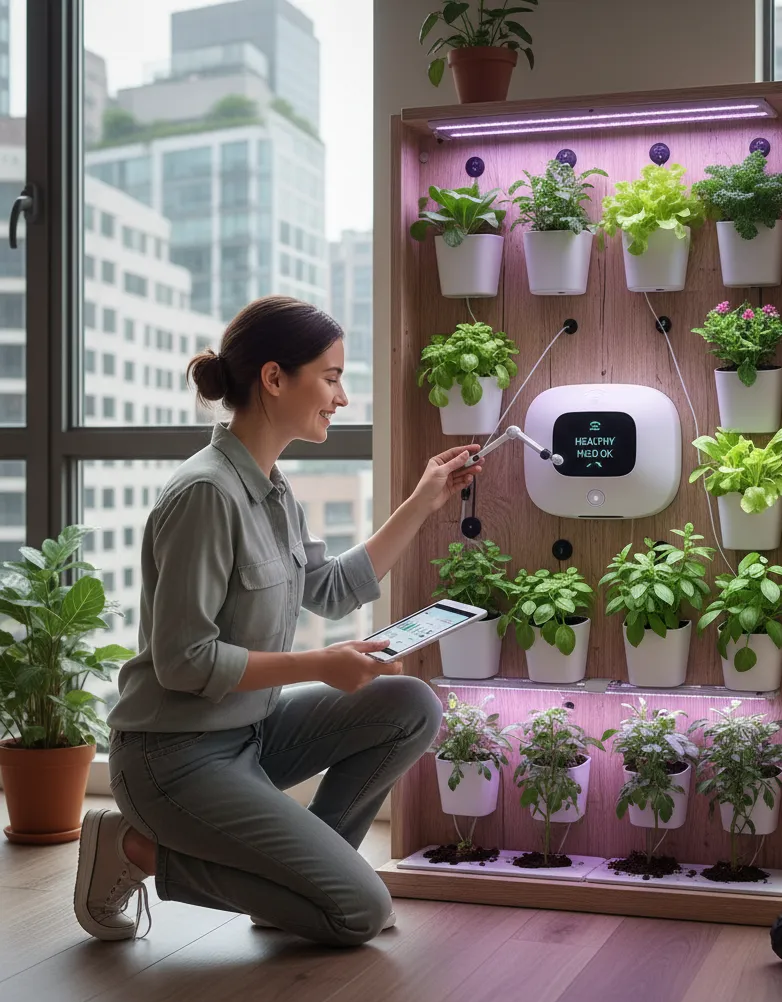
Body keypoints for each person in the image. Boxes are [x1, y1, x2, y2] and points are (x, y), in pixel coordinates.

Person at [73, 295, 481, 947]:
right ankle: (132, 847)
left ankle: (300, 885)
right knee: (358, 916)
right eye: (330, 376)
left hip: (250, 736)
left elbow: (330, 589)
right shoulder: (206, 494)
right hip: (172, 759)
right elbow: (184, 660)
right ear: (273, 378)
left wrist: (423, 501)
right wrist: (321, 664)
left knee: (408, 703)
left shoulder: (272, 487)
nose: (341, 397)